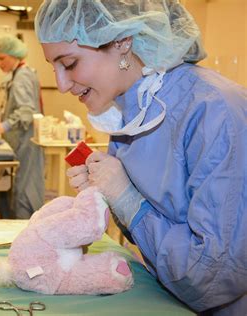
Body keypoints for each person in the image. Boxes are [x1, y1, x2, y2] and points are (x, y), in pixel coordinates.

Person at [35, 1, 246, 315]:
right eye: (55, 67)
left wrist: (128, 199)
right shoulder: (132, 111)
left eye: (69, 63)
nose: (62, 85)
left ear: (122, 42)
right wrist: (104, 192)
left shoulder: (215, 111)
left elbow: (214, 276)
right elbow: (148, 223)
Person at [0, 35, 45, 219]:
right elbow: (13, 106)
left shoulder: (22, 76)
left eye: (2, 58)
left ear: (14, 54)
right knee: (19, 187)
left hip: (26, 143)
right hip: (20, 142)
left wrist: (4, 126)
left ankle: (25, 232)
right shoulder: (17, 75)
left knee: (24, 189)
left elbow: (26, 111)